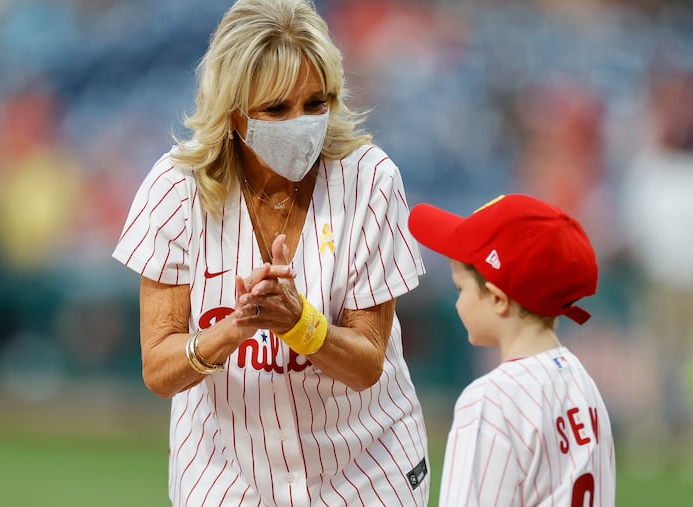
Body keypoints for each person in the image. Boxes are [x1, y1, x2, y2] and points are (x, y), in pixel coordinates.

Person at [112, 1, 430, 505]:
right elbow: (159, 369)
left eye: (316, 103)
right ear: (233, 112)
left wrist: (297, 322)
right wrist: (232, 330)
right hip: (225, 472)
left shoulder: (370, 178)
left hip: (365, 469)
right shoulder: (175, 188)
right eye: (277, 108)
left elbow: (368, 364)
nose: (300, 122)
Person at [408, 194, 615, 506]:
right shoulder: (585, 385)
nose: (458, 301)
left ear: (497, 299)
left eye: (460, 289)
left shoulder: (490, 400)